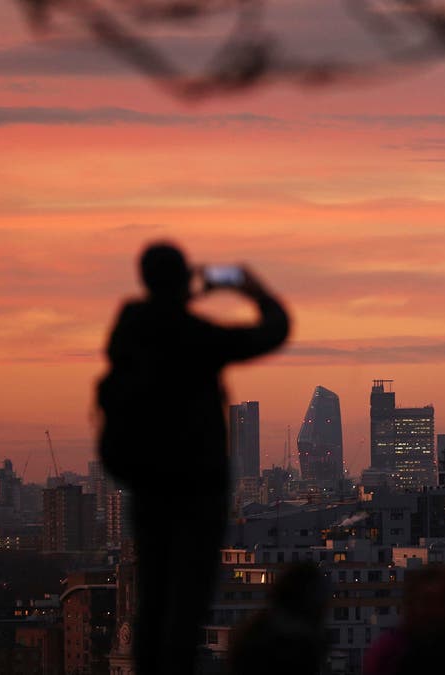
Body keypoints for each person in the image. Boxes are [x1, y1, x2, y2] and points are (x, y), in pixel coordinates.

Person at [97, 241, 289, 675]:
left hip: (147, 487)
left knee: (153, 596)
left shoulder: (130, 330)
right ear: (184, 279)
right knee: (187, 601)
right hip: (195, 490)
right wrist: (252, 290)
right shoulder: (194, 337)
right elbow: (273, 331)